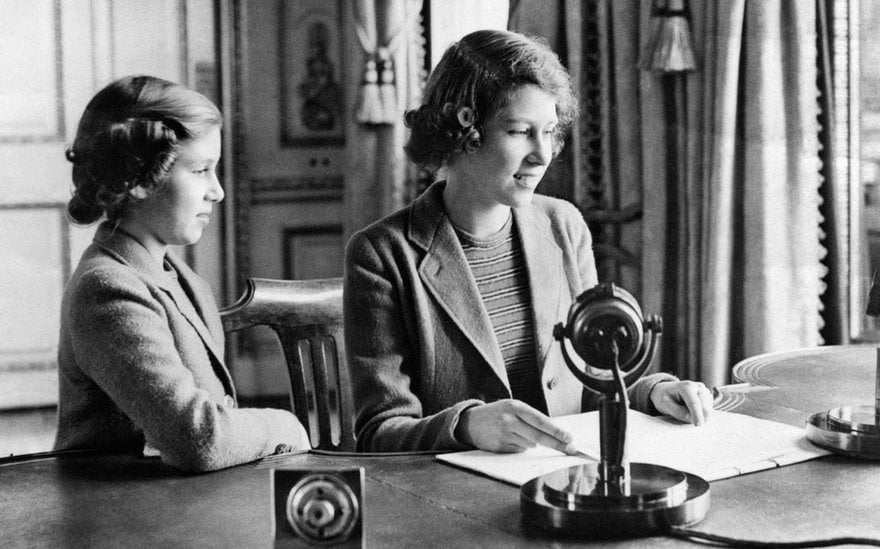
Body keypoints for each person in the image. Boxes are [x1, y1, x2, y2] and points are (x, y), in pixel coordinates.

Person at [344, 29, 713, 454]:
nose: (543, 155)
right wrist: (466, 427)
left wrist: (653, 392)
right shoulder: (380, 254)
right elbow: (378, 432)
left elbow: (590, 378)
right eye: (521, 132)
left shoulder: (563, 225)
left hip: (563, 479)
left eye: (550, 132)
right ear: (461, 132)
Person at [54, 75, 309, 472]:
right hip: (119, 521)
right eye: (200, 171)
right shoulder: (106, 289)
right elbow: (200, 439)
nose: (218, 191)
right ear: (139, 178)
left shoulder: (183, 280)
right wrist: (288, 425)